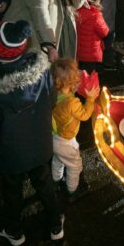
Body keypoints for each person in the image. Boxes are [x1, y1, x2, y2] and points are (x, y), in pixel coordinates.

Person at [0, 20, 64, 246]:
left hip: (11, 153)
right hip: (40, 144)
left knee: (12, 191)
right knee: (44, 184)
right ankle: (56, 223)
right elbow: (52, 98)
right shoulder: (41, 70)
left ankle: (14, 230)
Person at [51, 58, 100, 199]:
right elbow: (84, 115)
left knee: (58, 160)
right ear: (70, 83)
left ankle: (55, 180)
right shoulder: (72, 103)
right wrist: (90, 100)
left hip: (54, 137)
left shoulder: (55, 94)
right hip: (66, 141)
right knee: (75, 165)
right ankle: (72, 190)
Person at [75, 0, 109, 74]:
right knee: (90, 80)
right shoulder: (95, 15)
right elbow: (105, 32)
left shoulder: (76, 10)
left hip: (79, 52)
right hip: (91, 55)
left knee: (80, 77)